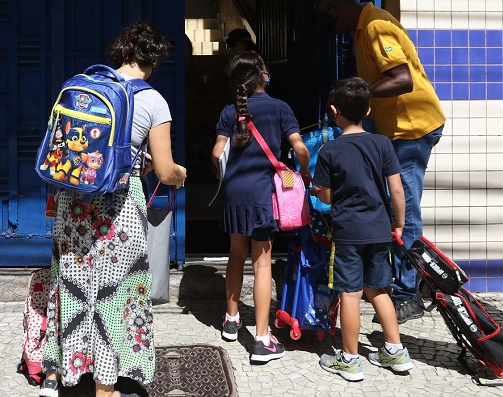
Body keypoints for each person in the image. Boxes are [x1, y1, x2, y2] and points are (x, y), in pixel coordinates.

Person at [39, 21, 187, 397]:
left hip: (73, 203)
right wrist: (178, 174)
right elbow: (168, 171)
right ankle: (105, 387)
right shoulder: (153, 100)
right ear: (152, 59)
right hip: (117, 208)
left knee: (71, 287)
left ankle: (62, 373)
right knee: (115, 291)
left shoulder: (84, 88)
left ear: (121, 53)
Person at [313, 0, 446, 324]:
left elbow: (403, 79)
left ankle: (407, 295)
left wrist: (358, 95)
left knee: (406, 210)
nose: (330, 24)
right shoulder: (361, 32)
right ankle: (392, 284)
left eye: (329, 14)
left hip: (412, 129)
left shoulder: (375, 26)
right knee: (391, 202)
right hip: (393, 131)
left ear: (340, 5)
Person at [211, 51, 310, 363]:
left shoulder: (230, 110)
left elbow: (216, 154)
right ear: (263, 75)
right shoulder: (280, 108)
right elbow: (299, 147)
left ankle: (230, 319)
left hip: (235, 193)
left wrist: (225, 175)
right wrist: (302, 172)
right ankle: (262, 338)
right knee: (262, 263)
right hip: (262, 193)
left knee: (236, 255)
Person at [311, 77, 412, 381]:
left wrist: (318, 191)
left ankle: (350, 359)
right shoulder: (382, 143)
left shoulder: (330, 151)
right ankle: (395, 352)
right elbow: (396, 189)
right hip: (380, 229)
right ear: (368, 110)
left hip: (348, 232)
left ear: (333, 110)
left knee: (350, 295)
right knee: (379, 290)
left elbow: (326, 196)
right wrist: (399, 222)